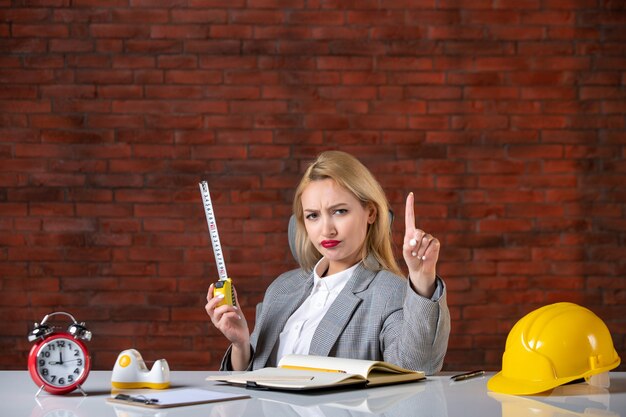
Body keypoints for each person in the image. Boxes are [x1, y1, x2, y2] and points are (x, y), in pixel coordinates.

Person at [205, 151, 450, 374]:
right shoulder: (282, 289)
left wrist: (422, 277)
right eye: (313, 216)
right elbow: (250, 380)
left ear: (371, 213)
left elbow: (417, 366)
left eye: (339, 211)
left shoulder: (389, 292)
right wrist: (240, 344)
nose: (326, 230)